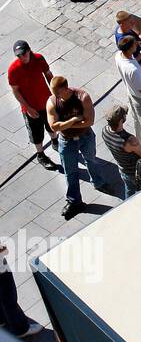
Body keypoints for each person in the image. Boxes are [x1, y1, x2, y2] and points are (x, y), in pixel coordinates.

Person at [46, 75, 111, 218]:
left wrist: (64, 124)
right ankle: (74, 201)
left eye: (56, 93)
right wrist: (74, 119)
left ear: (65, 89)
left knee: (91, 159)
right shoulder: (52, 102)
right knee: (70, 171)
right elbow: (54, 127)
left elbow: (89, 122)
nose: (54, 96)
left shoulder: (82, 97)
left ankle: (98, 182)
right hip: (66, 140)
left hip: (85, 136)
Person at [8, 40, 59, 171]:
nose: (22, 57)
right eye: (19, 56)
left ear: (29, 50)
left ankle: (55, 142)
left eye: (24, 54)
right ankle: (40, 154)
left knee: (51, 125)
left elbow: (48, 74)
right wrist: (28, 108)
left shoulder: (38, 58)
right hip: (30, 108)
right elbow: (15, 90)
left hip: (47, 101)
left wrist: (56, 93)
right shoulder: (13, 70)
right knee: (36, 133)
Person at [101, 105, 141, 196]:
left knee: (129, 190)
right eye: (124, 114)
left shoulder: (104, 131)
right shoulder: (129, 141)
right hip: (135, 173)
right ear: (121, 120)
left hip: (123, 170)